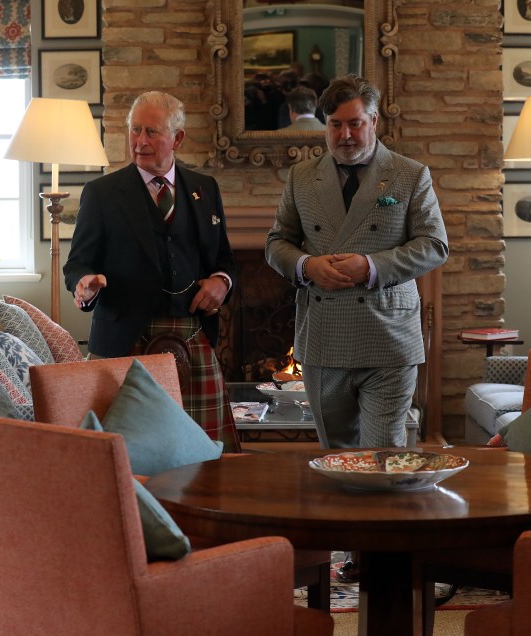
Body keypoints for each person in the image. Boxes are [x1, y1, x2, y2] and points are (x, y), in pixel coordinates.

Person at [265, 74, 448, 581]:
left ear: (374, 120)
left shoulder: (410, 174)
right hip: (323, 337)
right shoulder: (303, 178)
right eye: (335, 126)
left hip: (388, 335)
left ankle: (381, 562)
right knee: (338, 457)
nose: (345, 135)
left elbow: (434, 245)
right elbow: (277, 242)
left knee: (383, 454)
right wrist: (306, 267)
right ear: (325, 125)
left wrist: (371, 267)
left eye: (355, 124)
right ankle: (351, 548)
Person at [64, 91, 238, 446]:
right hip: (124, 338)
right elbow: (78, 262)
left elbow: (223, 259)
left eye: (152, 132)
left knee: (204, 451)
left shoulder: (205, 188)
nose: (141, 141)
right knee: (127, 452)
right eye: (135, 130)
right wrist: (84, 283)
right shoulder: (102, 193)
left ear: (178, 138)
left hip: (191, 334)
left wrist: (222, 282)